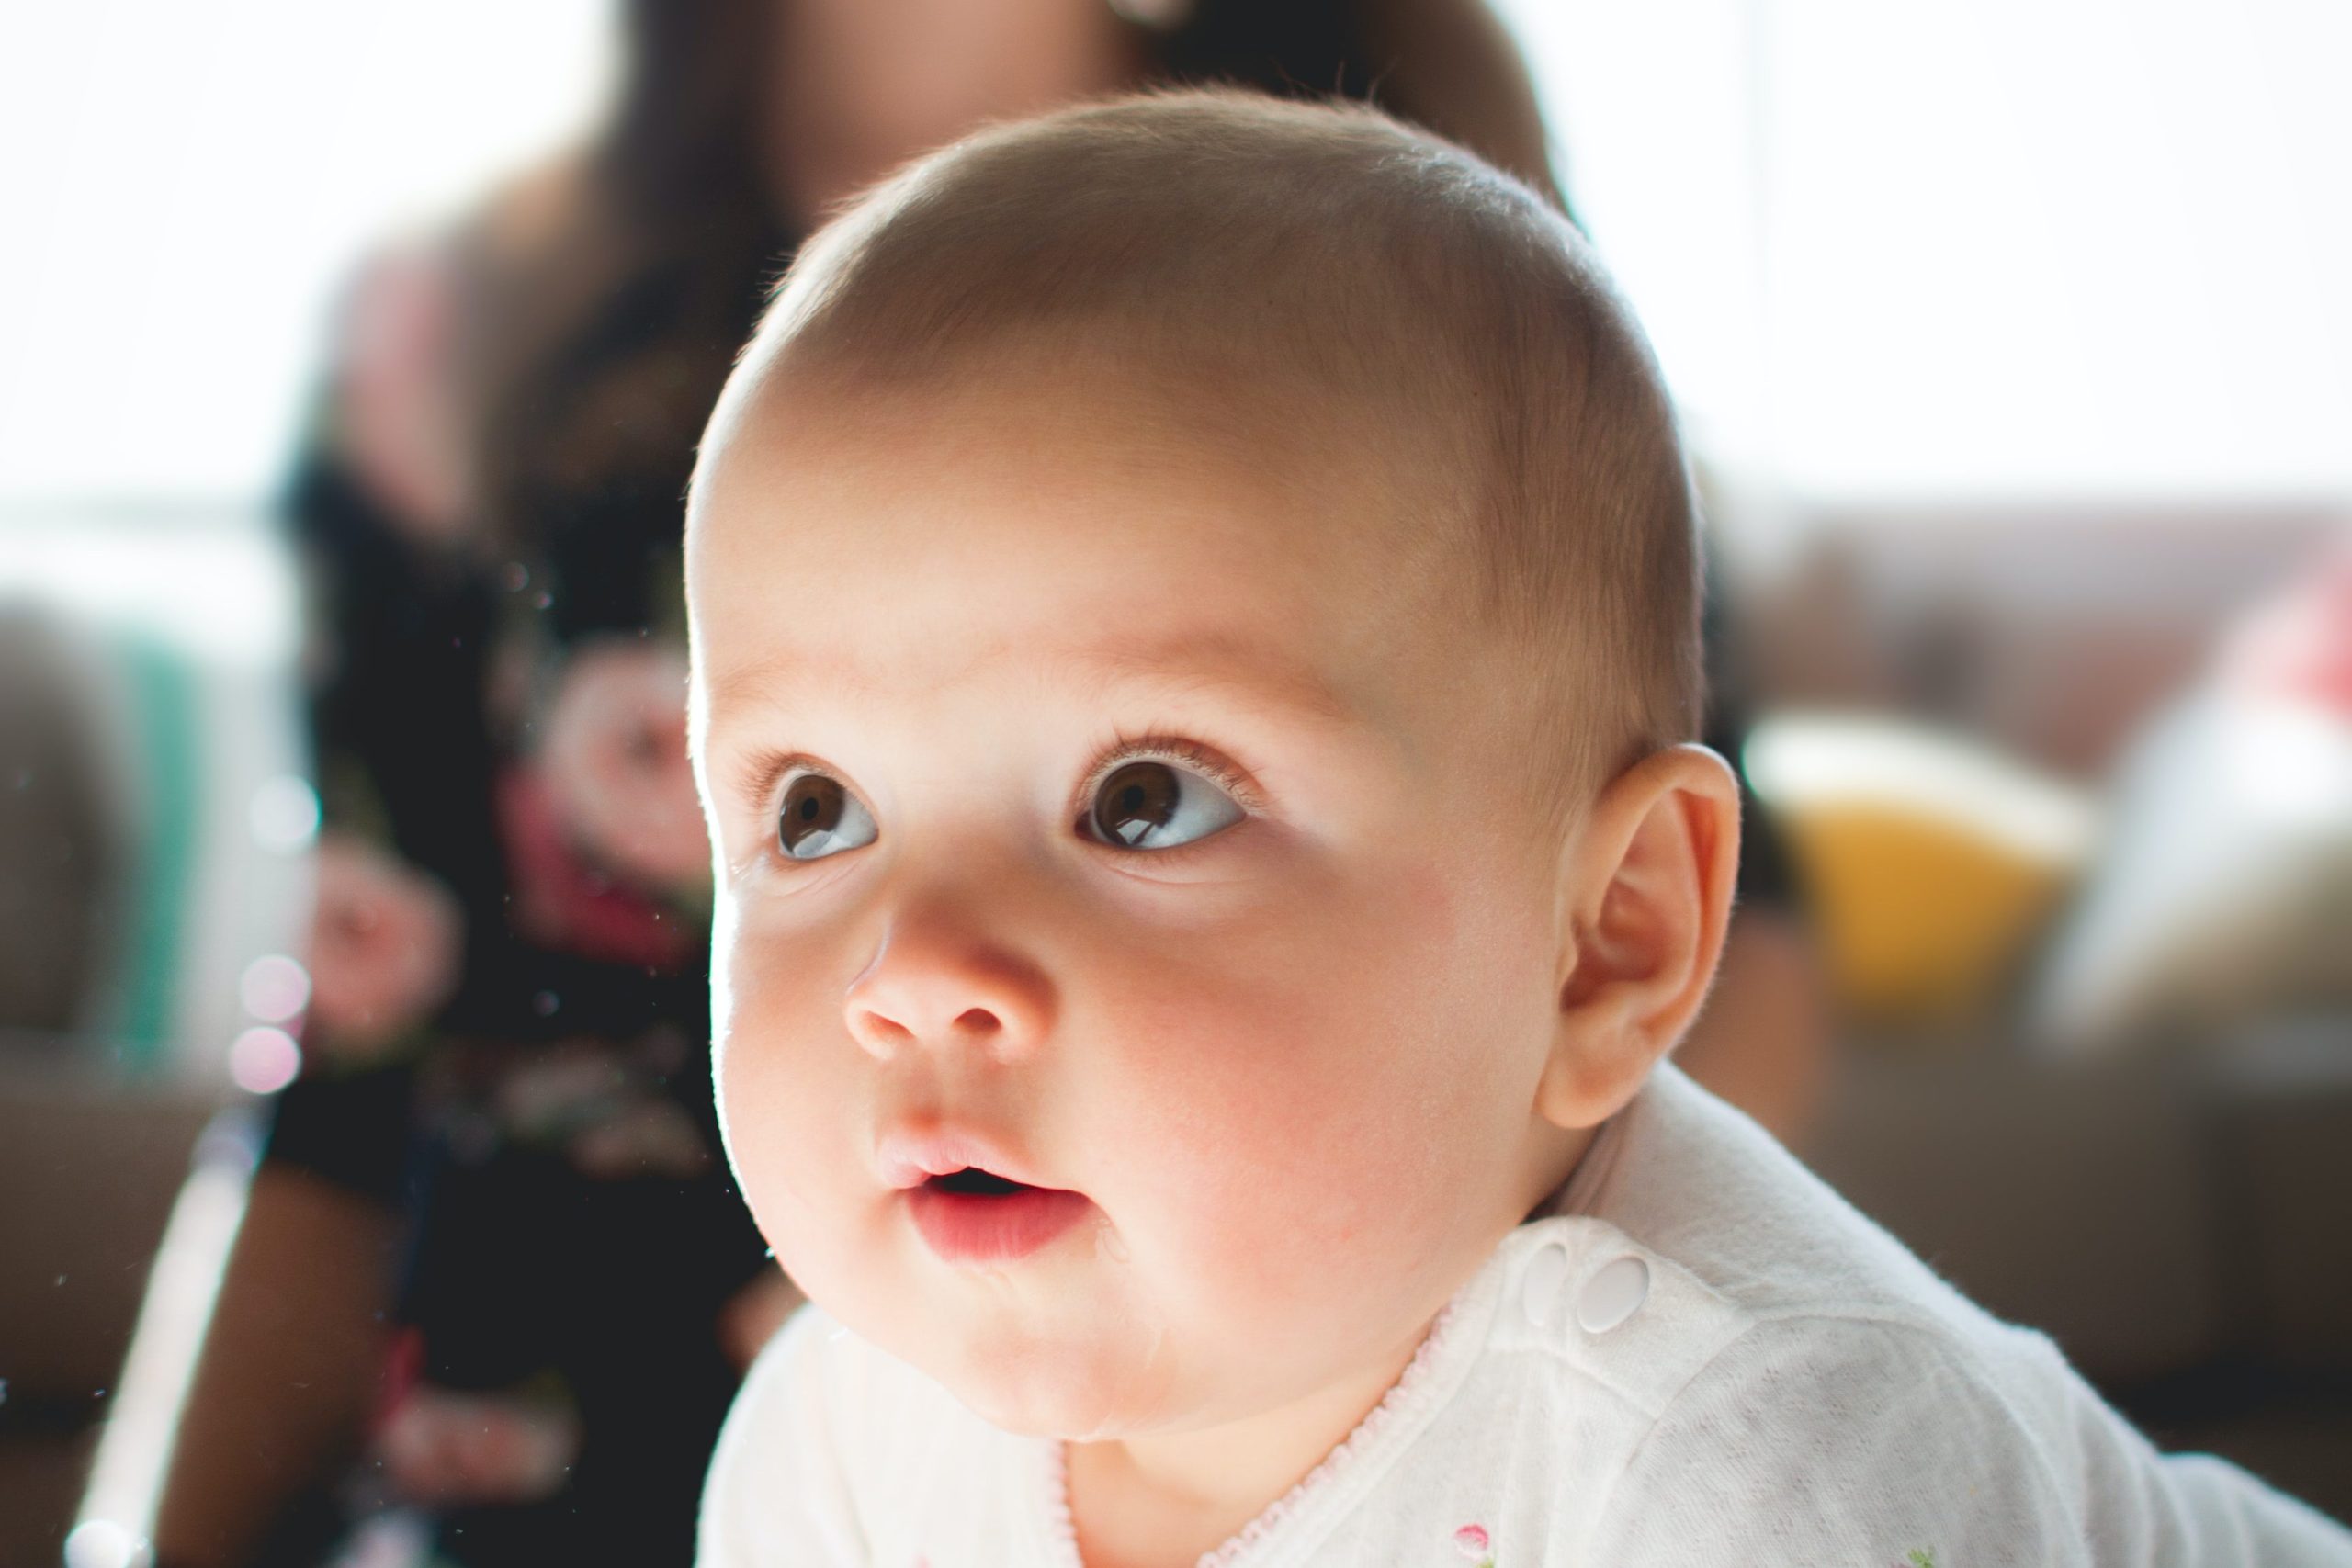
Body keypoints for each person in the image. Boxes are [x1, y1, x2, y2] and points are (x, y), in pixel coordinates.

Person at [683, 92, 2352, 1565]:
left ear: (1605, 941)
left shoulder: (1748, 1459)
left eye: (1145, 802)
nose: (912, 973)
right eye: (815, 812)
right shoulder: (846, 1433)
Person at [153, 6, 1617, 1568]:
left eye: (1146, 795)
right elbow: (350, 1083)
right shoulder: (462, 338)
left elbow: (1638, 894)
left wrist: (1343, 1398)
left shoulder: (1408, 227)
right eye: (810, 808)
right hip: (513, 1478)